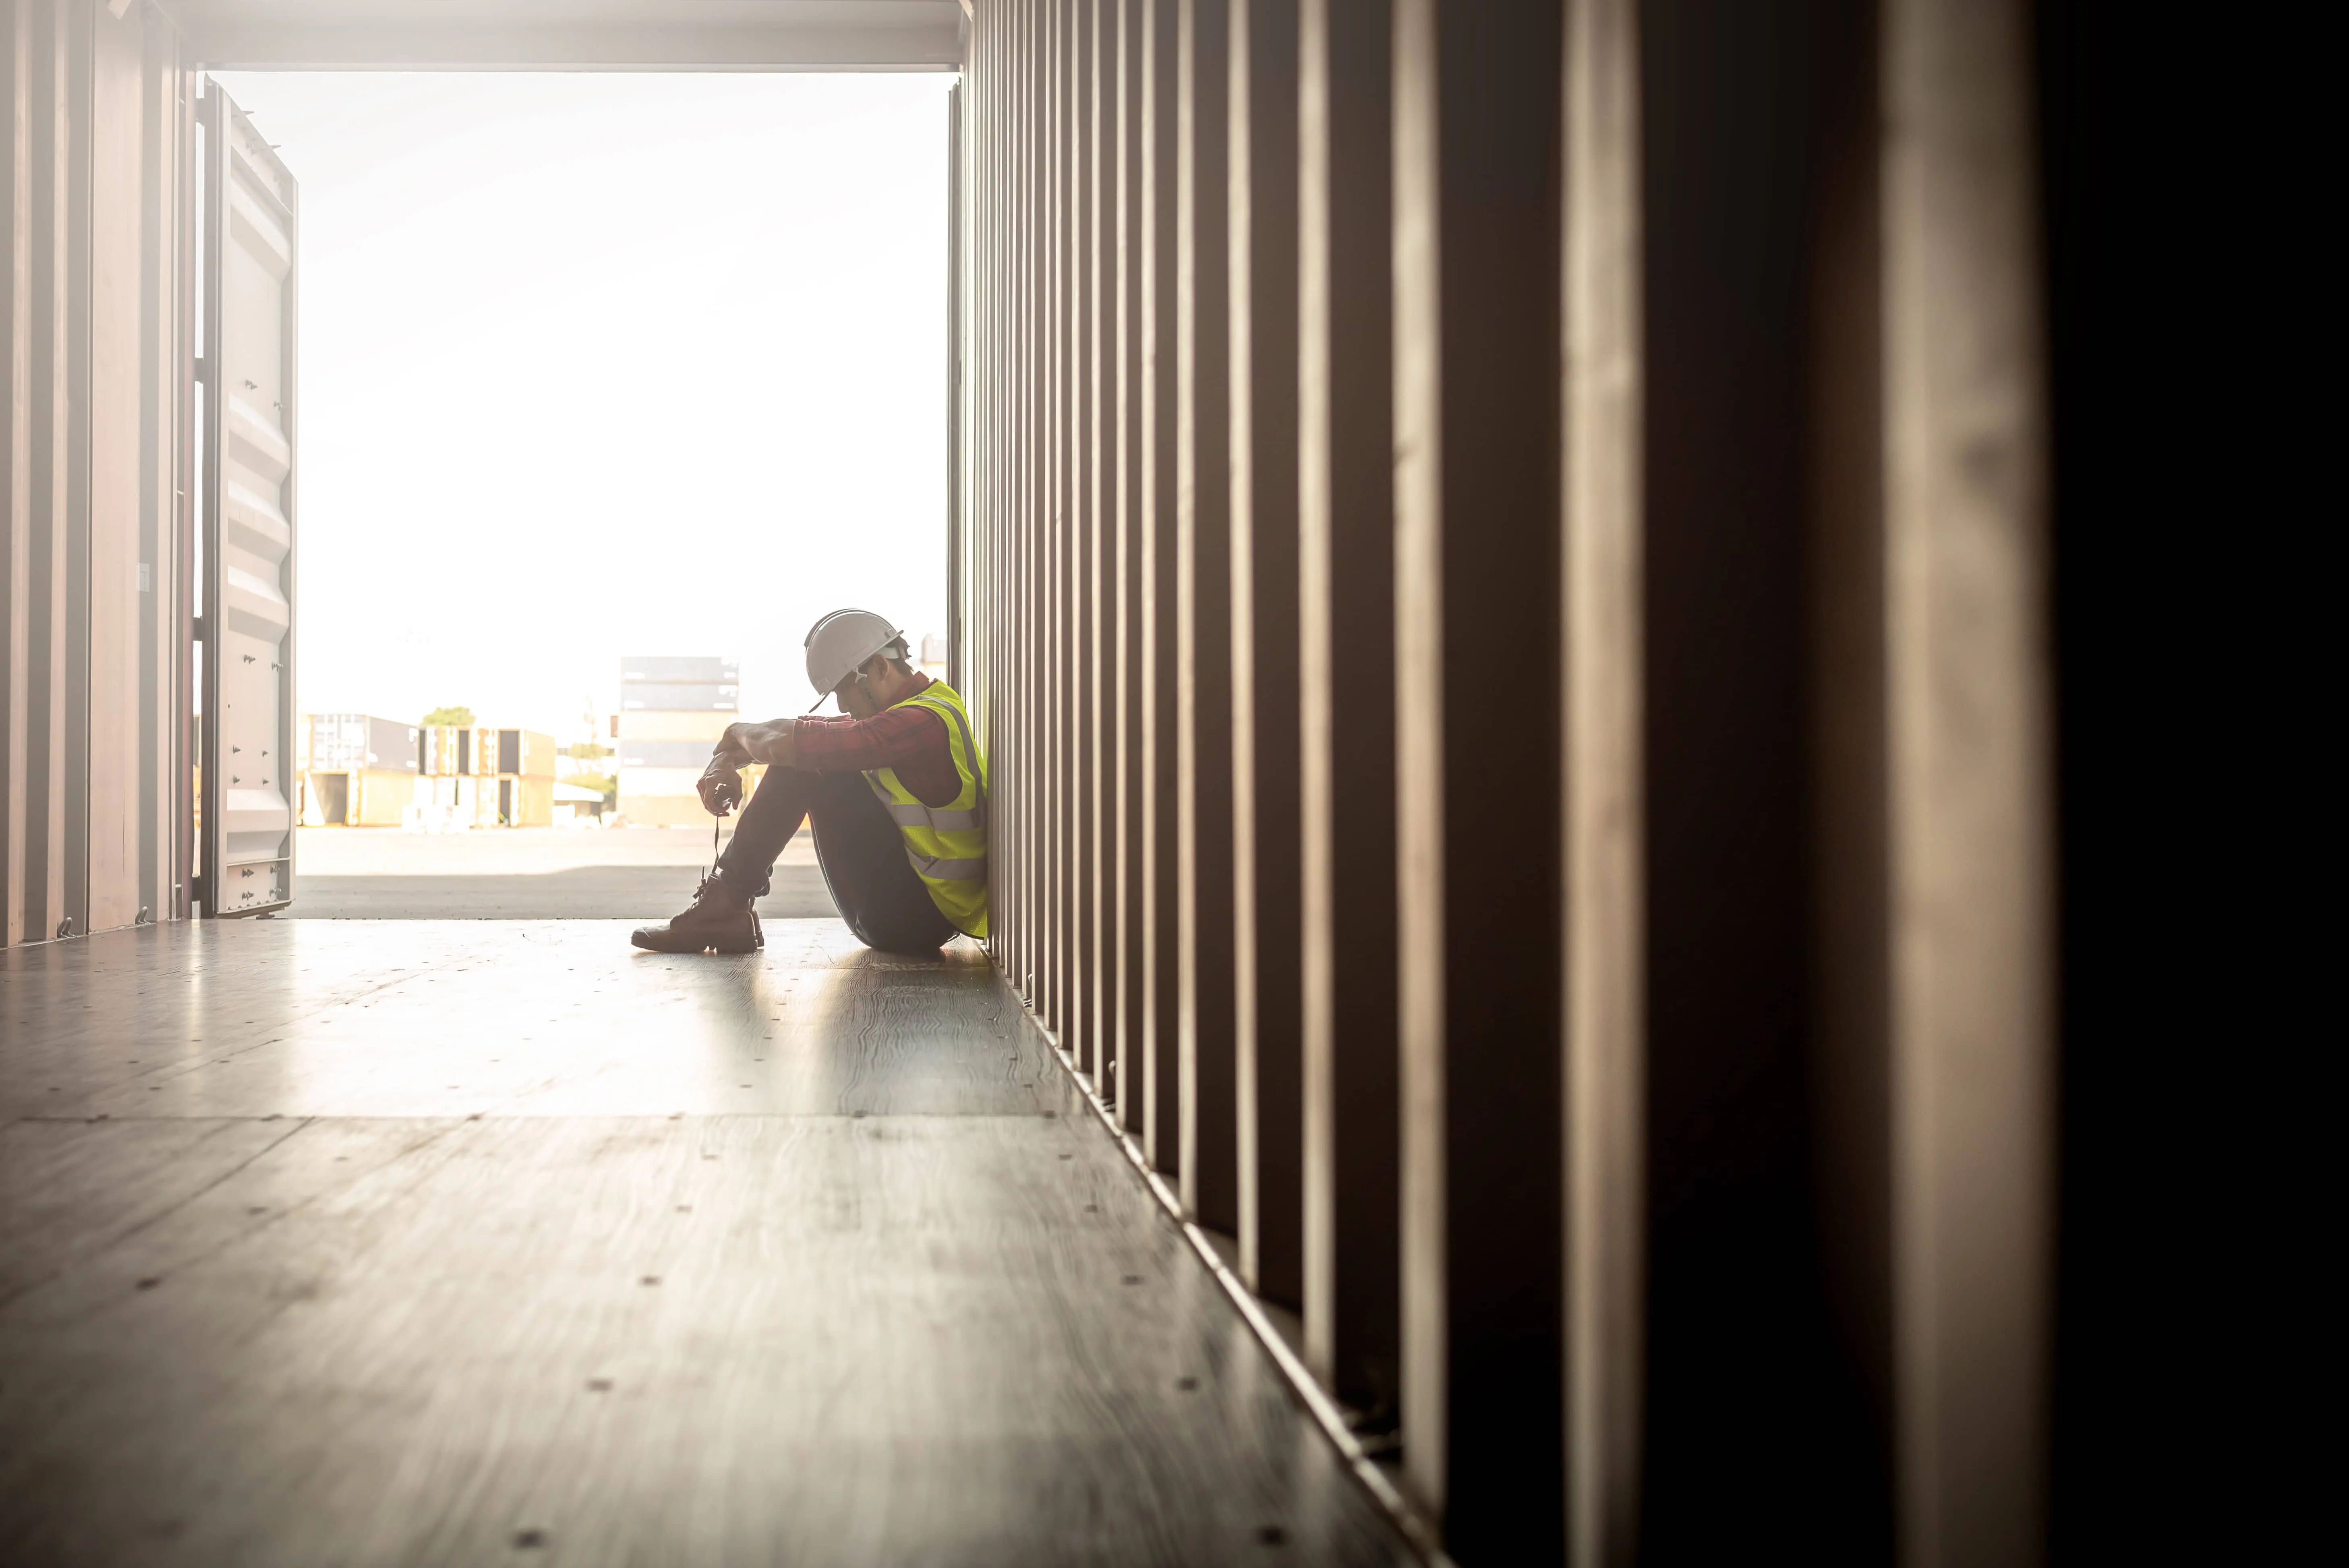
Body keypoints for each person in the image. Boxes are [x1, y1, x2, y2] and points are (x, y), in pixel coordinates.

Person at [630, 610, 988, 955]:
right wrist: (727, 755)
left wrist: (736, 733)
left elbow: (802, 742)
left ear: (880, 667)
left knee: (804, 761)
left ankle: (725, 908)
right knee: (810, 753)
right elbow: (811, 734)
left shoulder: (922, 722)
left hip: (915, 919)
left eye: (845, 689)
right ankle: (728, 909)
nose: (844, 705)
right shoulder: (923, 709)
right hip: (921, 909)